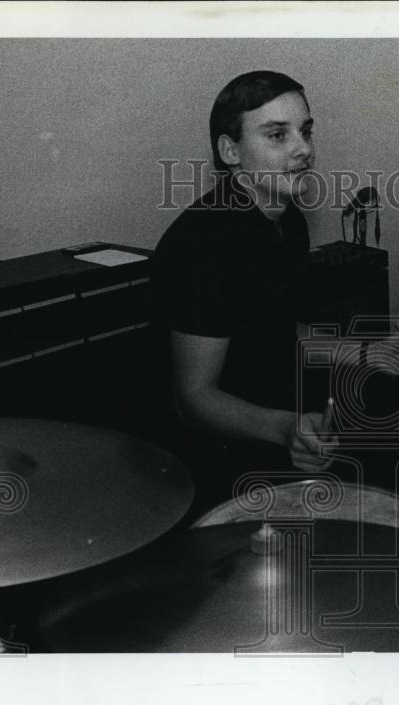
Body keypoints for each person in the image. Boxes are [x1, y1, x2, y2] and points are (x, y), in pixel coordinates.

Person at [153, 71, 332, 505]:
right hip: (208, 463)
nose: (303, 149)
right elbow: (192, 399)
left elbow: (277, 332)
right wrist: (285, 428)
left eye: (305, 131)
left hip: (274, 426)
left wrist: (372, 351)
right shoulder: (204, 245)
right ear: (230, 151)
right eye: (277, 135)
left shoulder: (287, 220)